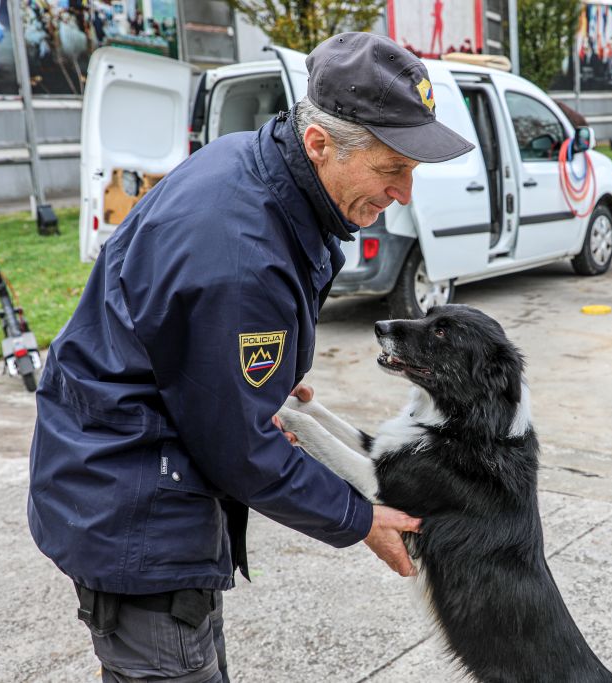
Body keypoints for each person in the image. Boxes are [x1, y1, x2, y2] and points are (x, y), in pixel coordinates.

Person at [27, 32, 474, 683]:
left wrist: (258, 383)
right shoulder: (240, 249)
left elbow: (197, 351)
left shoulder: (266, 171)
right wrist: (359, 518)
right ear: (321, 143)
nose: (404, 192)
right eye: (391, 169)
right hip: (130, 507)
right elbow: (239, 447)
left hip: (143, 475)